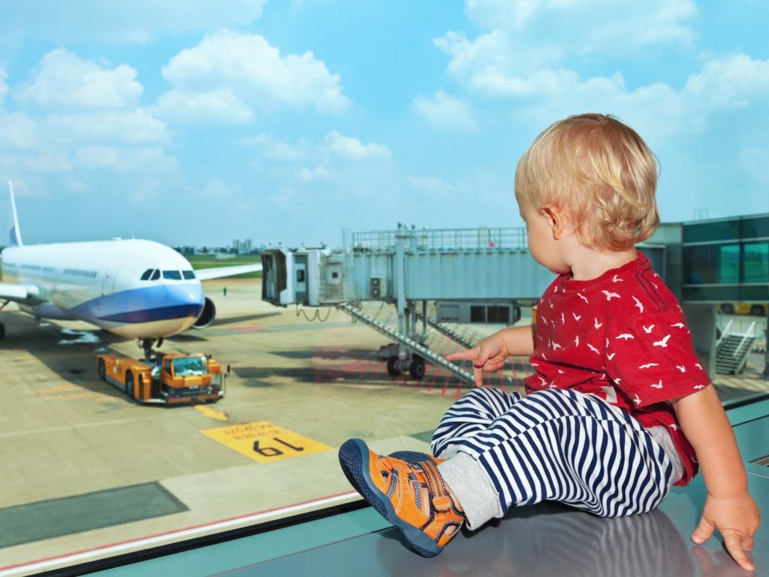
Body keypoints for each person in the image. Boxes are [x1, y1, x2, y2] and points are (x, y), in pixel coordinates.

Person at [338, 113, 760, 570]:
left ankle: (445, 499)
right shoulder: (572, 286)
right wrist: (505, 340)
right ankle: (445, 484)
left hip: (635, 460)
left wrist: (730, 493)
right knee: (483, 405)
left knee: (546, 413)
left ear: (555, 219)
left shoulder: (637, 303)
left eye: (527, 222)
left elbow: (695, 394)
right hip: (579, 445)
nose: (528, 234)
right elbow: (556, 337)